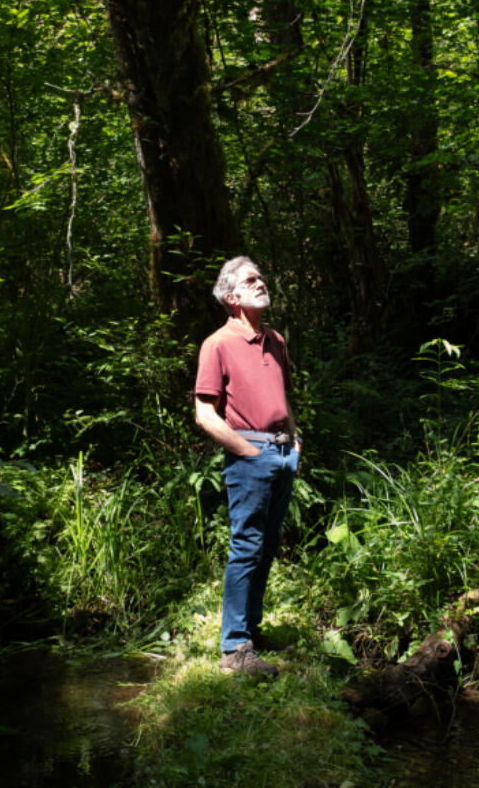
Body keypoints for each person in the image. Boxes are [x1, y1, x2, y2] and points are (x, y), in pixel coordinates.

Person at [194, 256, 301, 676]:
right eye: (251, 279)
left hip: (282, 454)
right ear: (232, 297)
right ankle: (234, 649)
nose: (262, 282)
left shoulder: (275, 339)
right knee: (246, 547)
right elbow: (205, 413)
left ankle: (250, 633)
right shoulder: (217, 344)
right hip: (250, 455)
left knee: (268, 545)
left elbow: (282, 397)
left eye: (262, 276)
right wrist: (248, 451)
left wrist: (294, 441)